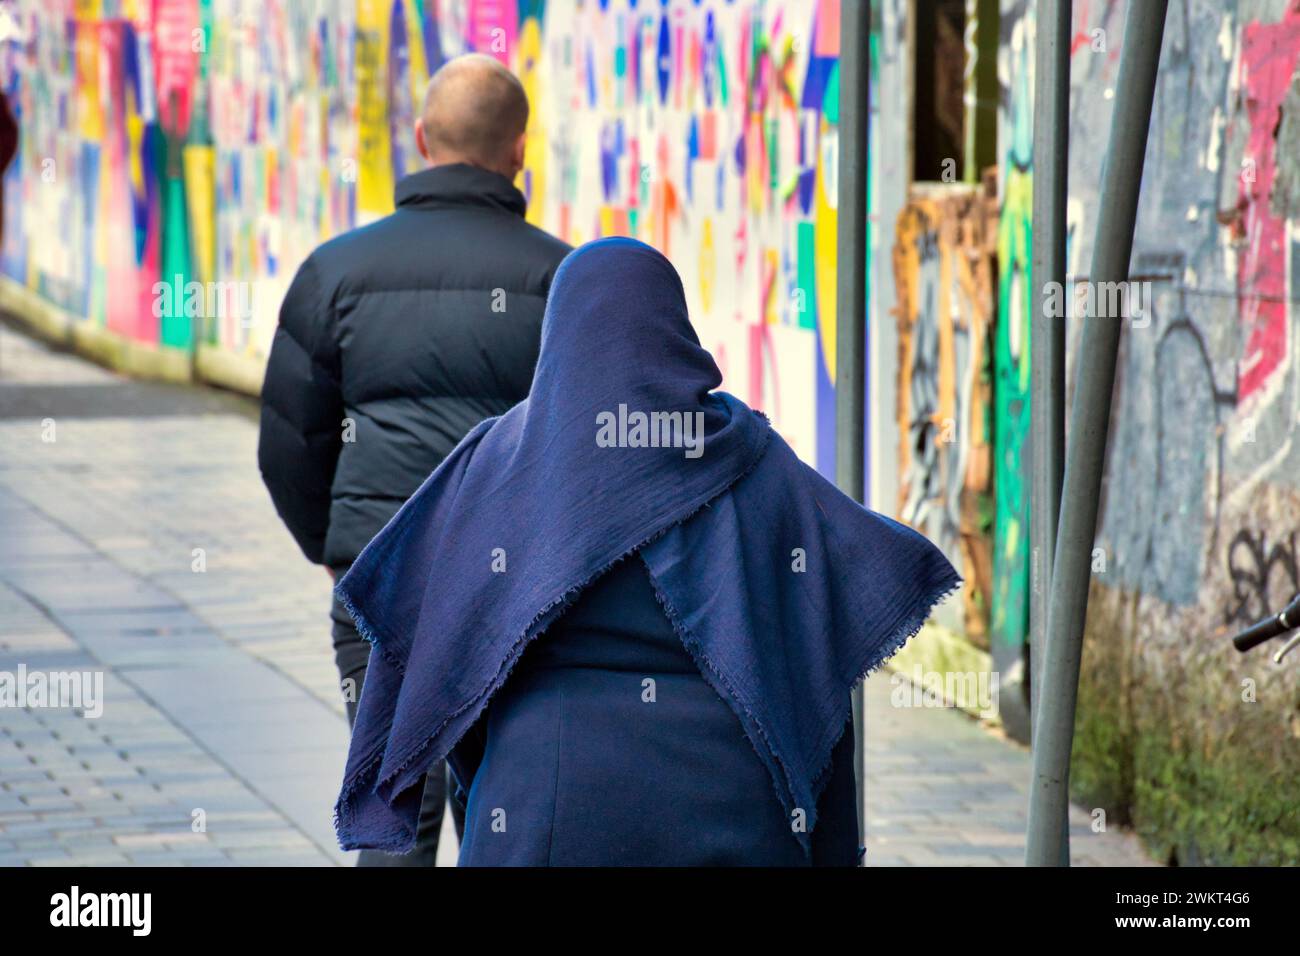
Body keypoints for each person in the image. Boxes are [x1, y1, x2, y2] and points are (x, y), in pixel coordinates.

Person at [332, 238, 961, 866]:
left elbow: (447, 661)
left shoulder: (499, 465)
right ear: (675, 327)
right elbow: (819, 656)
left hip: (542, 809)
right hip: (737, 812)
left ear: (560, 334)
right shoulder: (755, 462)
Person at [257, 54, 571, 866]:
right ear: (519, 152)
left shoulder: (337, 270)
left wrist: (343, 550)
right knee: (510, 814)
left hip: (381, 587)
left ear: (421, 138)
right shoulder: (561, 279)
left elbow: (290, 443)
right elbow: (584, 454)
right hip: (514, 596)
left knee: (395, 815)